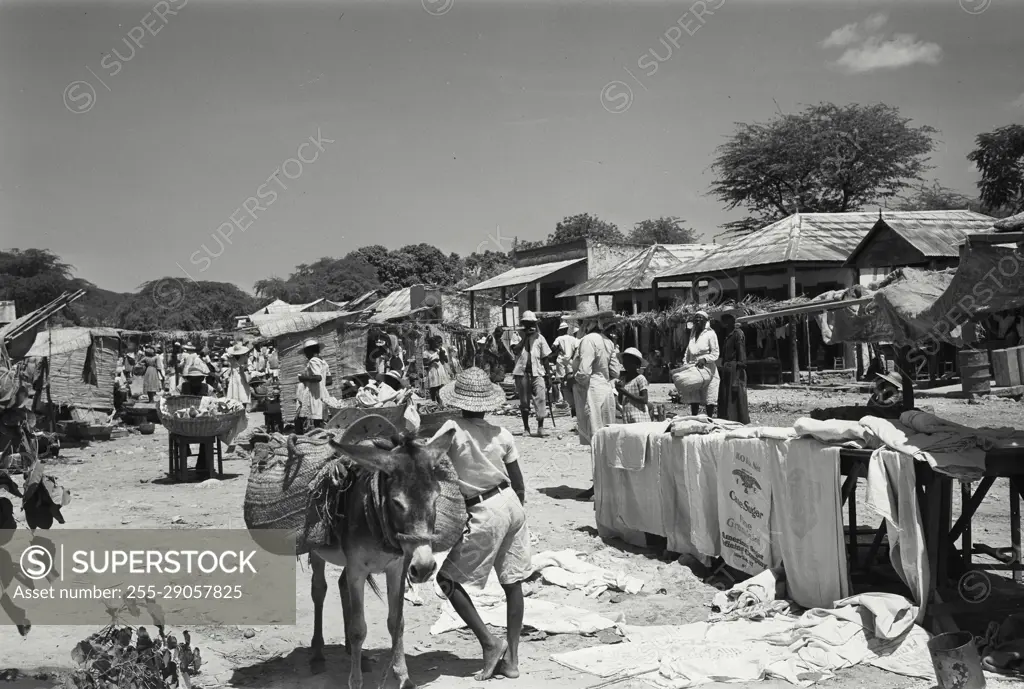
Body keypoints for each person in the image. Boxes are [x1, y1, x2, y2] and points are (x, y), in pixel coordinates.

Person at [432, 367, 530, 681]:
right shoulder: (502, 434)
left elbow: (427, 458)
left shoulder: (452, 427)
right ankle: (512, 659)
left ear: (458, 400)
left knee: (447, 580)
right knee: (512, 583)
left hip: (485, 510)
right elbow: (520, 484)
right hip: (512, 505)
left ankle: (490, 644)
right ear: (487, 402)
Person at [569, 302, 620, 500]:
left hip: (592, 391)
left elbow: (584, 372)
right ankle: (605, 484)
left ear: (586, 322)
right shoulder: (607, 340)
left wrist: (571, 378)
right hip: (606, 390)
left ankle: (599, 486)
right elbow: (615, 370)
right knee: (605, 439)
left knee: (596, 440)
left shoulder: (588, 340)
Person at [511, 311, 552, 437]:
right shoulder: (517, 336)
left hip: (537, 372)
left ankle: (540, 427)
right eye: (527, 324)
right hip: (521, 373)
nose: (529, 326)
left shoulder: (540, 338)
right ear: (523, 324)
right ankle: (526, 428)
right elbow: (516, 351)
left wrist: (548, 375)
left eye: (531, 324)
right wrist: (525, 338)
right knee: (524, 401)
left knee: (541, 398)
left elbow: (545, 358)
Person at [684, 310, 720, 418]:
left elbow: (715, 353)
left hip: (707, 368)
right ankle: (694, 417)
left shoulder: (710, 334)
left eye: (700, 318)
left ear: (705, 320)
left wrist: (704, 359)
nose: (698, 320)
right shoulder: (693, 334)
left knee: (709, 395)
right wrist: (685, 363)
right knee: (694, 395)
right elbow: (688, 351)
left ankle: (709, 418)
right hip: (693, 368)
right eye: (696, 318)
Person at [717, 312, 749, 424]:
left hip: (735, 369)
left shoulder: (737, 334)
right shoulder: (727, 335)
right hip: (728, 369)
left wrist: (740, 366)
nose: (723, 323)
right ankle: (727, 419)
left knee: (735, 395)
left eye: (725, 320)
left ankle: (737, 419)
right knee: (726, 395)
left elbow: (741, 353)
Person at [296, 338, 332, 434]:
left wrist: (304, 378)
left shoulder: (313, 361)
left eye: (306, 352)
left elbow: (317, 377)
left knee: (316, 419)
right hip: (322, 392)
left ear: (310, 351)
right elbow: (329, 380)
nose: (305, 355)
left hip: (315, 394)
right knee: (321, 418)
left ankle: (319, 438)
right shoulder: (323, 362)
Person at [616, 347, 651, 423]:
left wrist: (625, 392)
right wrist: (620, 391)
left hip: (639, 417)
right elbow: (621, 401)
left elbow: (644, 399)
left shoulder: (640, 378)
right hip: (627, 416)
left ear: (637, 365)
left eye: (629, 361)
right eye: (625, 361)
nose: (626, 364)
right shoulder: (624, 380)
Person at [553, 321, 579, 415]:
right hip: (570, 361)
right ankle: (572, 400)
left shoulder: (559, 338)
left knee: (559, 380)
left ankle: (561, 400)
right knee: (570, 379)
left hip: (561, 360)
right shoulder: (573, 339)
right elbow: (577, 348)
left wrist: (559, 350)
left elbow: (553, 347)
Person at [424, 335, 451, 403]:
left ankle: (440, 404)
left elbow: (446, 360)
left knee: (441, 389)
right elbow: (425, 363)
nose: (440, 344)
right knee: (433, 389)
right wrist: (432, 361)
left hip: (440, 371)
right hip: (432, 373)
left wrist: (442, 353)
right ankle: (433, 402)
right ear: (432, 344)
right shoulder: (426, 353)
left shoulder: (440, 351)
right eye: (438, 343)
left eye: (441, 343)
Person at [224, 343, 252, 407]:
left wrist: (244, 366)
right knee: (234, 394)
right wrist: (226, 376)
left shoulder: (245, 358)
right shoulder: (231, 359)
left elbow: (250, 366)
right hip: (233, 378)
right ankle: (236, 408)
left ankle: (243, 407)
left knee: (243, 393)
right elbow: (228, 366)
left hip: (242, 377)